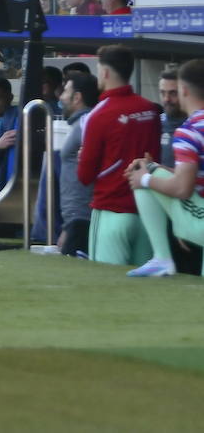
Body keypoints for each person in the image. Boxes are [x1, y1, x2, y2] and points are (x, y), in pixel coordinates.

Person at [76, 44, 160, 265]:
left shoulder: (99, 114)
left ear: (104, 72)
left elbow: (85, 176)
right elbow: (155, 162)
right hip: (147, 214)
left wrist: (83, 158)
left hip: (111, 211)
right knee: (145, 292)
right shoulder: (150, 110)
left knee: (104, 289)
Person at [124, 58, 204, 277]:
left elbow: (183, 189)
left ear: (183, 90)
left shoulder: (189, 131)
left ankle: (162, 258)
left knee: (143, 171)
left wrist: (146, 179)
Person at [55, 70, 99, 257]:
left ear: (77, 97)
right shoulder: (79, 125)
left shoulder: (86, 124)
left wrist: (73, 222)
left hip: (81, 219)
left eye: (65, 91)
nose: (61, 97)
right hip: (75, 219)